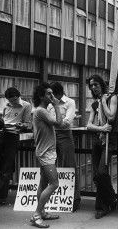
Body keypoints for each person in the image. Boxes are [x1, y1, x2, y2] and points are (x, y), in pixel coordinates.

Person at [0, 87, 32, 209]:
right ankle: (9, 168)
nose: (12, 102)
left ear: (18, 96)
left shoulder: (26, 105)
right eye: (10, 100)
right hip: (2, 133)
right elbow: (2, 121)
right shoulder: (6, 105)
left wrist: (21, 125)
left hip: (13, 136)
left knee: (5, 171)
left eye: (14, 100)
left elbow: (27, 123)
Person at [30, 83, 64, 228]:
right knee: (54, 184)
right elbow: (59, 123)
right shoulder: (41, 111)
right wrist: (56, 105)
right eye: (49, 94)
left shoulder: (42, 110)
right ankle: (37, 214)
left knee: (43, 183)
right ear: (41, 96)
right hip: (45, 154)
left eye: (52, 93)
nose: (52, 96)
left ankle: (42, 212)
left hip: (46, 151)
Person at [86, 74, 118, 219]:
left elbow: (111, 117)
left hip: (108, 141)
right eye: (91, 85)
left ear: (102, 85)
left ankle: (102, 207)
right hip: (97, 141)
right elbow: (89, 125)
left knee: (101, 173)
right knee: (97, 175)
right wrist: (101, 129)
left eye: (96, 85)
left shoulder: (112, 98)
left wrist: (104, 102)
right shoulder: (94, 104)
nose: (93, 87)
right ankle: (112, 199)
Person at [48, 82, 81, 211]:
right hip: (50, 136)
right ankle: (54, 199)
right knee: (50, 166)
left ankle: (74, 199)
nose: (50, 97)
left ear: (58, 93)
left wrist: (51, 122)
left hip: (64, 135)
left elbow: (66, 123)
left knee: (69, 166)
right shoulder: (49, 103)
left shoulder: (70, 102)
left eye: (52, 94)